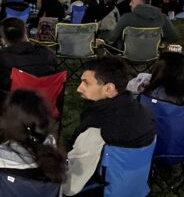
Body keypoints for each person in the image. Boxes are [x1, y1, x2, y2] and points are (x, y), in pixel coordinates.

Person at [63, 57, 156, 195]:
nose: (78, 88)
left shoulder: (96, 131)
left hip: (105, 190)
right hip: (136, 187)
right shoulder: (144, 112)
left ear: (109, 89)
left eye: (86, 83)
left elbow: (70, 187)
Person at [0, 18, 59, 113]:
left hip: (14, 111)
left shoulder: (0, 59)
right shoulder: (47, 54)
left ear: (3, 39)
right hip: (44, 106)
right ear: (25, 33)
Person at [107, 0, 179, 45]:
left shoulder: (126, 18)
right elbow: (174, 37)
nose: (130, 4)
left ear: (140, 2)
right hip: (153, 56)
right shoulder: (162, 17)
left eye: (132, 1)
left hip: (129, 56)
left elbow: (112, 38)